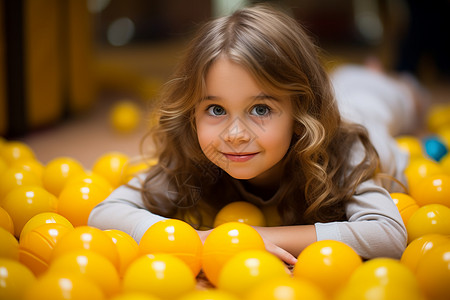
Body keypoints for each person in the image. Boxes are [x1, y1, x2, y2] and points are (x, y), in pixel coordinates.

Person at [89, 4, 422, 264]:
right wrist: (201, 239)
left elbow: (388, 236)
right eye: (216, 110)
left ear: (301, 114)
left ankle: (388, 79)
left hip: (363, 109)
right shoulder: (193, 154)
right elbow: (103, 213)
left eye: (260, 109)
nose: (234, 135)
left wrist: (255, 236)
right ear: (192, 111)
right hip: (332, 94)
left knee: (390, 93)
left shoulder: (344, 146)